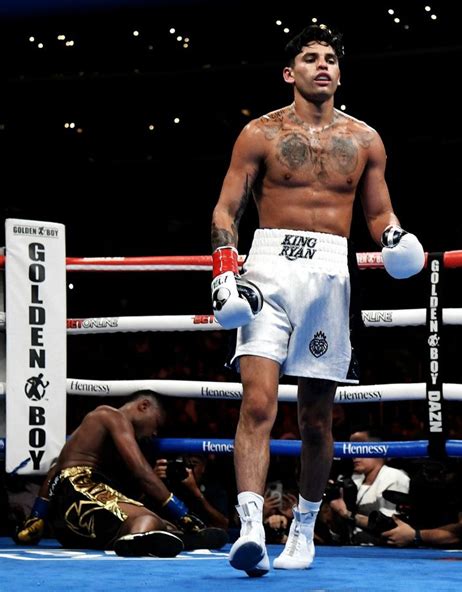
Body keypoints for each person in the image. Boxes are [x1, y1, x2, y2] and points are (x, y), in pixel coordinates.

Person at [210, 23, 424, 576]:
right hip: (268, 270)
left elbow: (378, 214)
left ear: (339, 72)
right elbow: (225, 210)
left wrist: (395, 237)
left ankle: (303, 529)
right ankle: (252, 524)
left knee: (315, 419)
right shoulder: (258, 134)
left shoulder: (366, 139)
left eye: (330, 58)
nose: (322, 65)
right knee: (257, 404)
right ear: (290, 73)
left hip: (330, 274)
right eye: (310, 58)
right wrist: (223, 270)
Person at [14, 390, 208, 557]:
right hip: (79, 490)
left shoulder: (93, 436)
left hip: (64, 523)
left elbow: (55, 470)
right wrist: (182, 513)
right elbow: (141, 471)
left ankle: (160, 537)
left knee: (162, 525)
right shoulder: (112, 416)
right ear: (144, 406)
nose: (155, 433)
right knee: (148, 520)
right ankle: (140, 540)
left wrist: (37, 516)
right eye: (156, 423)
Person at [324, 428, 410, 545]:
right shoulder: (353, 480)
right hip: (354, 549)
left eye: (359, 447)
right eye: (352, 448)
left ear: (378, 448)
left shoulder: (394, 477)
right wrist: (335, 514)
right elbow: (339, 533)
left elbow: (392, 528)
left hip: (384, 551)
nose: (354, 454)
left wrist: (347, 514)